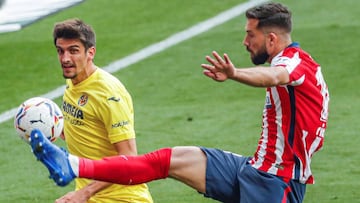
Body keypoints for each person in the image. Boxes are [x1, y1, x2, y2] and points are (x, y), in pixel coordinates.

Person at [30, 3, 330, 203]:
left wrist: (235, 73)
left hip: (277, 184)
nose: (245, 41)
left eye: (250, 34)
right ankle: (72, 164)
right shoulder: (299, 64)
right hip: (252, 168)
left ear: (273, 39)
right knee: (168, 159)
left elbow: (275, 76)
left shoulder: (293, 64)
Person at [49, 19, 153, 203]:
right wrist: (51, 127)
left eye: (73, 51)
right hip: (90, 195)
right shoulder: (74, 82)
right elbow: (83, 127)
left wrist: (85, 192)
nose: (65, 59)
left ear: (91, 53)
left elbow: (129, 157)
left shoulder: (108, 94)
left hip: (122, 198)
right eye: (60, 51)